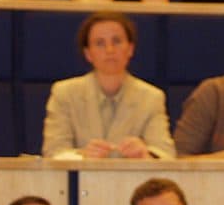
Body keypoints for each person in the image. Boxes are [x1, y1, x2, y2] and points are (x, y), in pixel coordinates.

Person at [42, 12, 175, 159]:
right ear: (88, 54)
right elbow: (53, 152)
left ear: (130, 49)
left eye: (117, 41)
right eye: (100, 43)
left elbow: (165, 154)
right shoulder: (64, 93)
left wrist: (145, 154)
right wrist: (83, 156)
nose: (110, 50)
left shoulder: (151, 97)